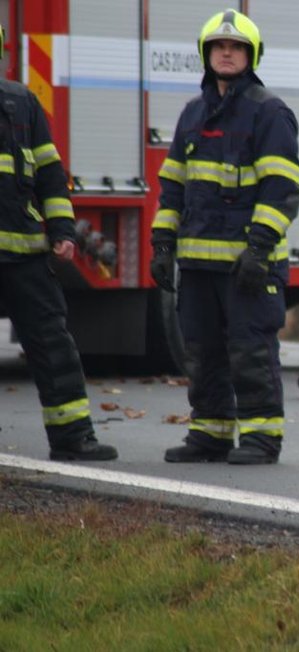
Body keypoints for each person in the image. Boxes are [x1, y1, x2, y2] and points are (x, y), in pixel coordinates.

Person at [151, 9, 299, 465]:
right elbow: (173, 187)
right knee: (203, 351)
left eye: (236, 47)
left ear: (251, 55)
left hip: (248, 264)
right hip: (197, 263)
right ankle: (210, 432)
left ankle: (261, 436)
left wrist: (259, 249)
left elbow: (282, 189)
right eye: (219, 46)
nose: (227, 53)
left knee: (251, 349)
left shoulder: (269, 113)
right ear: (206, 54)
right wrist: (162, 245)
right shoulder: (193, 115)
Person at [0, 25, 117, 462]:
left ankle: (72, 437)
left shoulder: (21, 103)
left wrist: (64, 232)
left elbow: (51, 176)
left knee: (53, 345)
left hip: (26, 253)